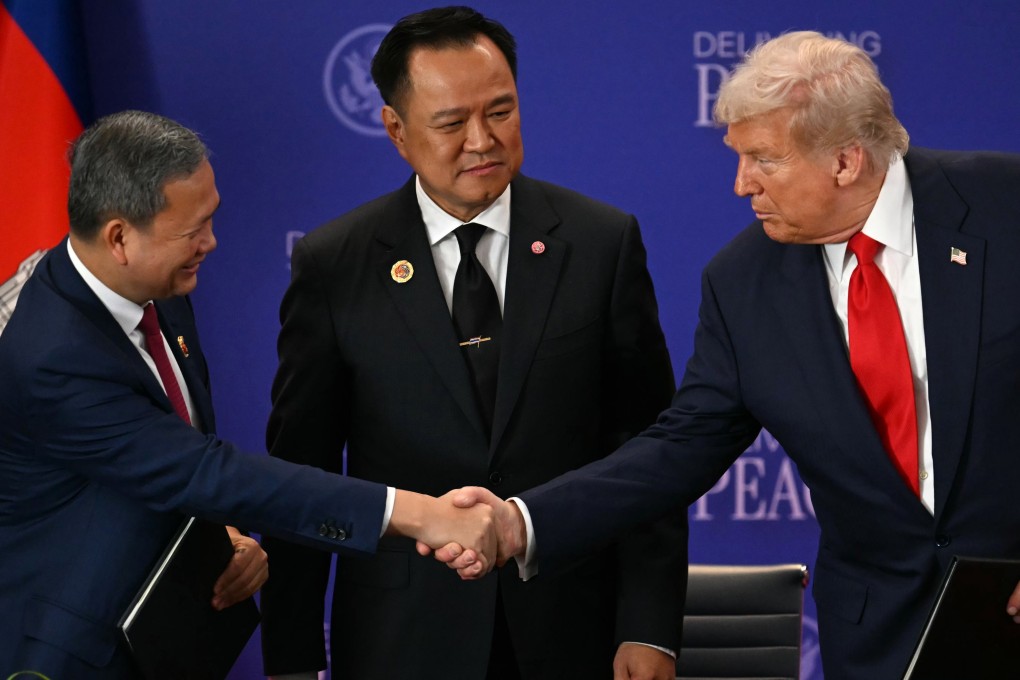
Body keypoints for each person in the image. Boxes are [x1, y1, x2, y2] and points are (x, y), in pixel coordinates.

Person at [438, 30, 1020, 680]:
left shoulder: (1005, 205)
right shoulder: (742, 284)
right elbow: (680, 447)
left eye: (764, 160)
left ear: (845, 160)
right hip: (881, 638)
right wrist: (521, 521)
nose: (742, 185)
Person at [259, 6, 686, 680]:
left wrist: (650, 628)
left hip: (576, 627)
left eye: (501, 111)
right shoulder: (336, 264)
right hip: (401, 639)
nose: (483, 141)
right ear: (397, 132)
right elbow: (301, 475)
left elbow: (650, 451)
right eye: (453, 123)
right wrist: (291, 657)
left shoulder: (601, 243)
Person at [0, 109, 498, 680]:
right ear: (119, 238)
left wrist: (223, 537)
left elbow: (160, 461)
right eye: (193, 232)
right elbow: (203, 471)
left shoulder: (159, 288)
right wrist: (417, 513)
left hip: (165, 638)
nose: (211, 243)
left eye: (210, 219)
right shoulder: (51, 357)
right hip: (74, 657)